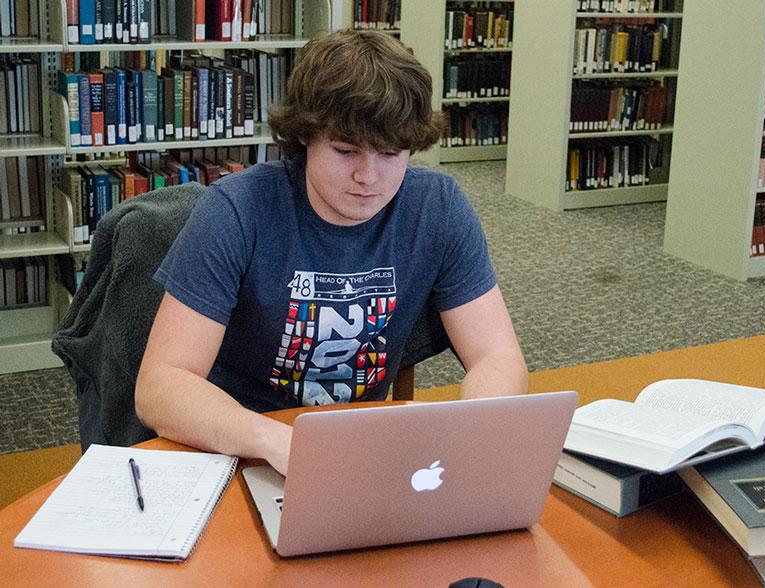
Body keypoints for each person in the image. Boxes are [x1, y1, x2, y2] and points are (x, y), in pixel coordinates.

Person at [135, 29, 528, 476]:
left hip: (362, 457)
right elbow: (161, 386)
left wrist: (471, 431)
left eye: (389, 153)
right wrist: (274, 440)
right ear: (305, 136)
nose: (368, 176)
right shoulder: (236, 210)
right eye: (345, 151)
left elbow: (497, 355)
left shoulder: (436, 208)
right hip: (235, 448)